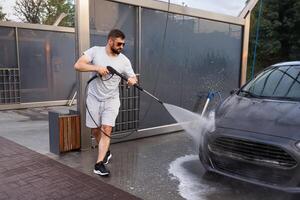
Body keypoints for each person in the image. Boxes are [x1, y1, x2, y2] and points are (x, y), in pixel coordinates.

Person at [74, 29, 137, 176]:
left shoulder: (124, 60)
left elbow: (133, 77)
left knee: (107, 129)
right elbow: (78, 65)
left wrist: (132, 81)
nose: (121, 47)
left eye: (123, 44)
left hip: (112, 99)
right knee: (95, 130)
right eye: (119, 44)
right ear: (110, 41)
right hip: (94, 98)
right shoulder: (95, 51)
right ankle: (106, 150)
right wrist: (97, 68)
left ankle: (99, 163)